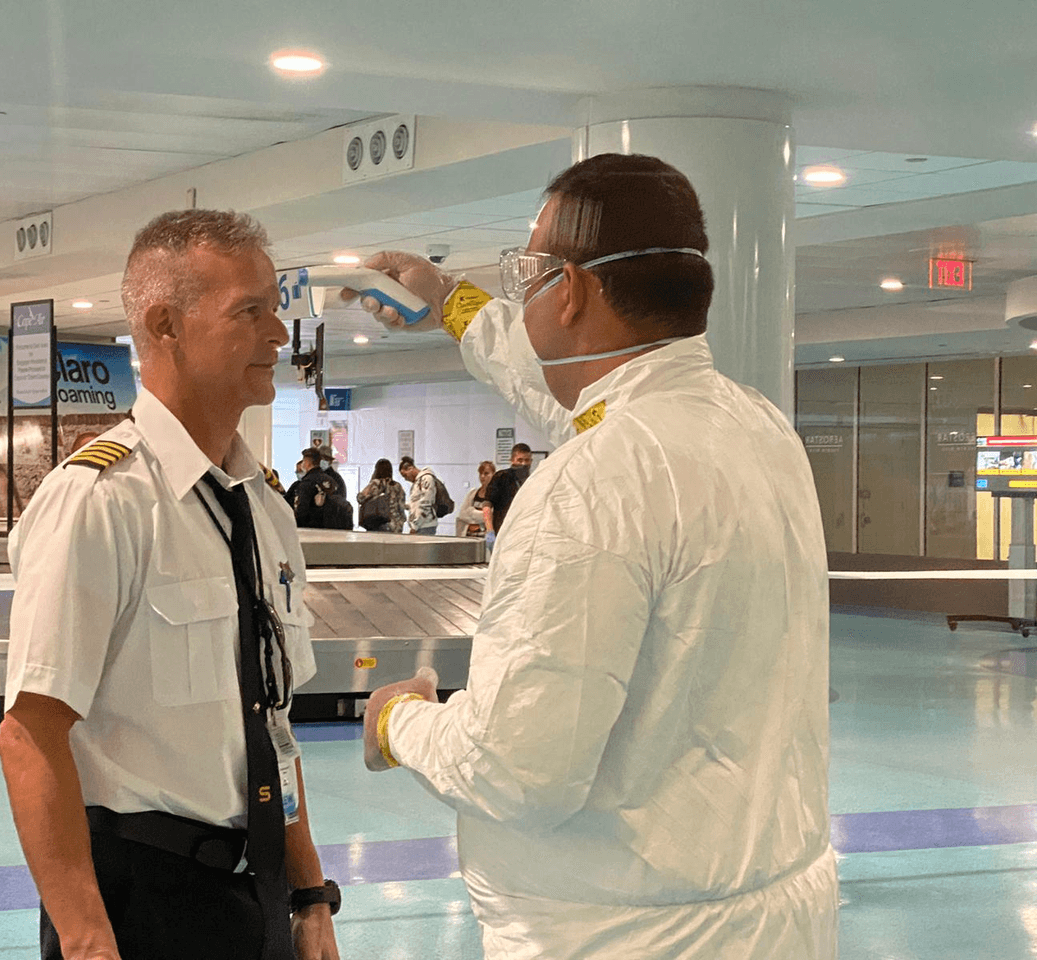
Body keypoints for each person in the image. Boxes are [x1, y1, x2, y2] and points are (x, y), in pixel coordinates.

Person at [352, 154, 837, 959]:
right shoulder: (755, 427)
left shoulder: (591, 485)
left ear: (570, 291)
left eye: (530, 272)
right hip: (775, 910)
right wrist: (446, 299)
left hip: (623, 934)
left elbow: (516, 769)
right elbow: (567, 390)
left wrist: (400, 721)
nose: (524, 292)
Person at [0, 209, 339, 960]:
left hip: (257, 896)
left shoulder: (261, 509)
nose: (279, 334)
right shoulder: (99, 501)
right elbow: (30, 734)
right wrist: (88, 940)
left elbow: (272, 728)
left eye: (274, 309)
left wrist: (310, 894)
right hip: (139, 905)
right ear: (165, 326)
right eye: (249, 311)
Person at [482, 443, 532, 546]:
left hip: (525, 533)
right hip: (502, 531)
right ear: (512, 460)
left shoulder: (533, 480)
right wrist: (490, 530)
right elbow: (487, 505)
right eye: (520, 460)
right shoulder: (501, 477)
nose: (523, 464)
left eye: (527, 460)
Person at [292, 447, 352, 529]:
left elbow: (302, 510)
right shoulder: (332, 479)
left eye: (326, 459)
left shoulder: (332, 478)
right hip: (333, 526)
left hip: (317, 526)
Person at [356, 458, 407, 533]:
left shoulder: (376, 484)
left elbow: (360, 498)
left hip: (378, 523)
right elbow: (402, 507)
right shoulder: (398, 486)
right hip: (396, 526)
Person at [398, 456, 439, 535]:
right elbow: (417, 504)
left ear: (410, 468)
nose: (405, 479)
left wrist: (415, 527)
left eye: (405, 475)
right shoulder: (417, 482)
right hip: (421, 525)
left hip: (425, 526)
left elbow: (425, 505)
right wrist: (404, 505)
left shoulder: (426, 478)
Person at [455, 460, 495, 538]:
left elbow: (493, 516)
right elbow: (463, 515)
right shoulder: (472, 493)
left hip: (487, 537)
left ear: (493, 474)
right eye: (481, 474)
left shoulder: (497, 495)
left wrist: (472, 512)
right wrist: (483, 515)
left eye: (486, 473)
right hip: (470, 537)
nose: (482, 476)